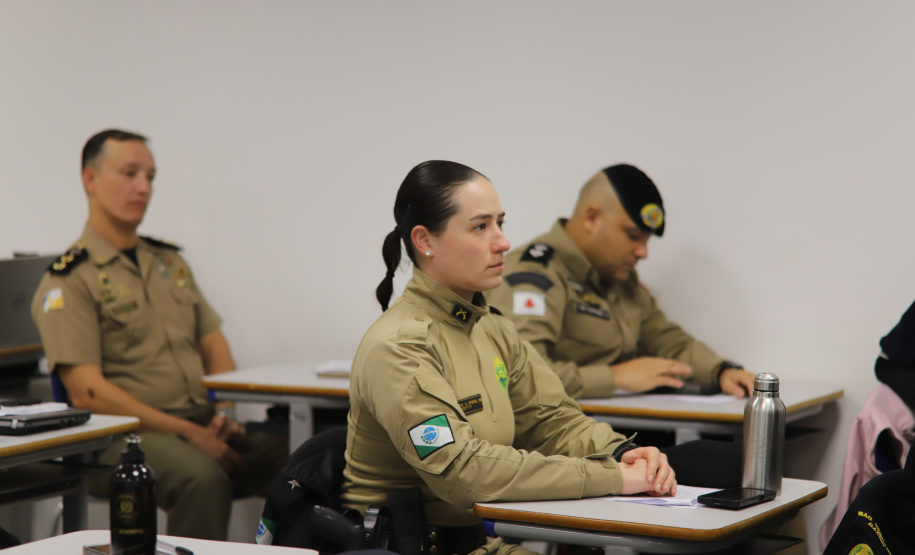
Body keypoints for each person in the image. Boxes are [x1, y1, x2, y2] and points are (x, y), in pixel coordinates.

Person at [340, 161, 744, 555]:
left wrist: (622, 452)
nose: (502, 242)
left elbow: (553, 419)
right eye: (480, 227)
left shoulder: (490, 327)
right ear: (424, 241)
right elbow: (465, 473)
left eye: (501, 223)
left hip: (482, 544)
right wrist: (612, 476)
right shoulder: (399, 346)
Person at [30, 129, 287, 541]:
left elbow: (214, 343)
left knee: (306, 461)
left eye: (150, 177)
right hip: (123, 437)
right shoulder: (69, 281)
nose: (143, 188)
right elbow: (88, 393)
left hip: (201, 421)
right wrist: (185, 431)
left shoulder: (169, 262)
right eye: (129, 173)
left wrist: (224, 415)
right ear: (90, 179)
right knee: (201, 478)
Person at [486, 164, 757, 400]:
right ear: (592, 218)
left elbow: (667, 341)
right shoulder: (535, 275)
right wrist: (615, 377)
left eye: (647, 240)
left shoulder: (619, 279)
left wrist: (720, 370)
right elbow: (520, 374)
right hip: (552, 438)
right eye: (633, 236)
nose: (643, 252)